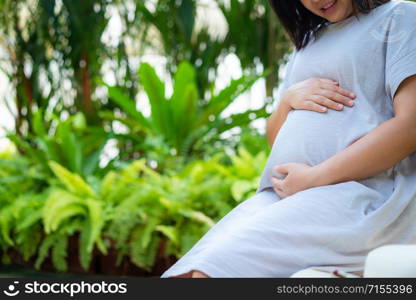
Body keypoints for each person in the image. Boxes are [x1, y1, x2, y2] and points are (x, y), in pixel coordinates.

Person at [161, 0, 416, 278]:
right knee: (187, 274)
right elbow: (277, 142)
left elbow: (410, 125)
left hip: (366, 195)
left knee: (212, 274)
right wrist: (287, 102)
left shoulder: (400, 16)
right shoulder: (310, 41)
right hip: (290, 196)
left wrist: (315, 177)